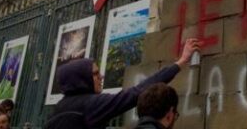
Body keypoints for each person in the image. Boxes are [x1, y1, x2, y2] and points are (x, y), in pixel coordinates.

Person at [45, 38, 200, 129]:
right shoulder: (91, 105)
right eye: (95, 74)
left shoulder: (59, 108)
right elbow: (137, 92)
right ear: (81, 79)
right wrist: (180, 62)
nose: (101, 76)